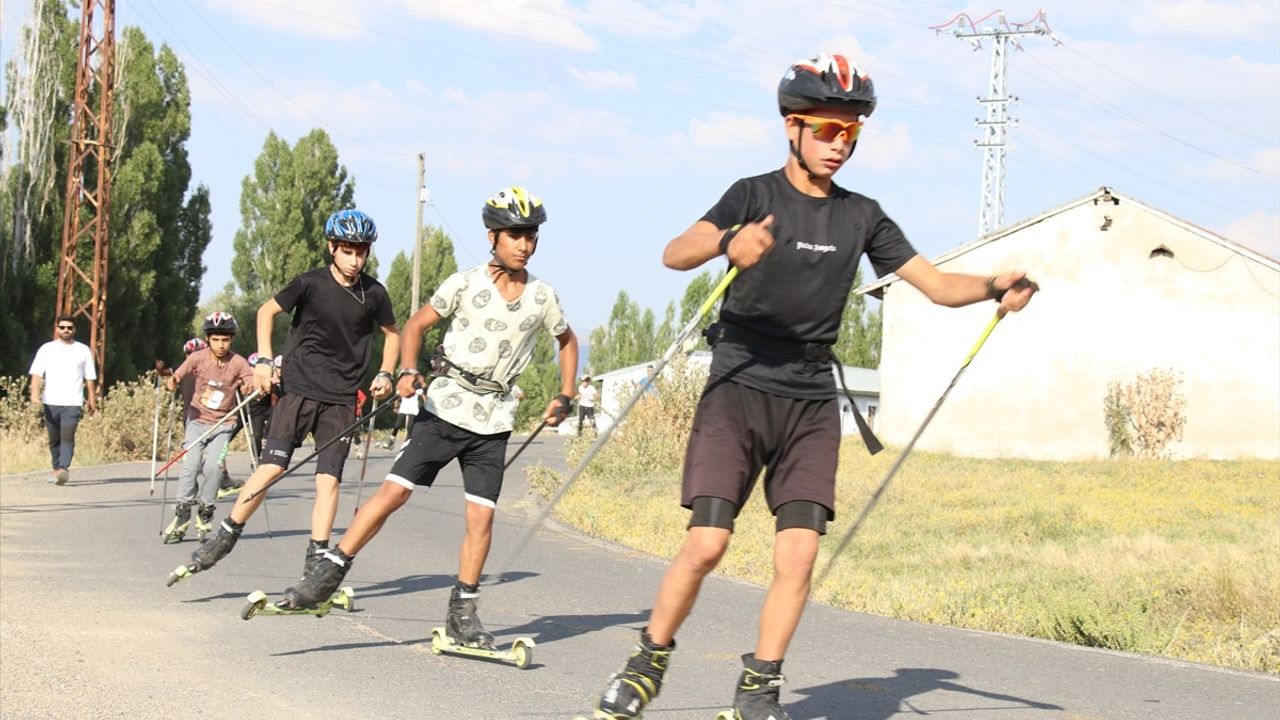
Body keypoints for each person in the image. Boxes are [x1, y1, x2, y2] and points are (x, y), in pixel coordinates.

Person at [586, 53, 1037, 720]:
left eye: (852, 133)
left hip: (810, 397)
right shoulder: (754, 196)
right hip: (738, 384)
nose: (839, 145)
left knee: (797, 555)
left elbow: (939, 287)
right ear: (792, 126)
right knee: (708, 543)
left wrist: (994, 287)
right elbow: (675, 252)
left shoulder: (863, 217)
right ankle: (647, 662)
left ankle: (758, 690)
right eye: (828, 129)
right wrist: (729, 243)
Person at [277, 186, 578, 648]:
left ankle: (463, 611)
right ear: (492, 236)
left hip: (494, 421)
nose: (524, 243)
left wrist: (565, 392)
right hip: (446, 407)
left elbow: (566, 340)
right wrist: (410, 370)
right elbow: (414, 326)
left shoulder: (542, 297)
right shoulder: (464, 284)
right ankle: (329, 572)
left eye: (531, 235)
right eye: (515, 234)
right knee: (394, 493)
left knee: (481, 519)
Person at [179, 209, 399, 580]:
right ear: (332, 247)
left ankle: (316, 559)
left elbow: (393, 334)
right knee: (271, 467)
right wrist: (264, 360)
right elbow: (266, 312)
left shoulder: (375, 293)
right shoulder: (310, 283)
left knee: (328, 480)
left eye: (361, 251)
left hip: (342, 398)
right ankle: (226, 535)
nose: (355, 259)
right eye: (348, 250)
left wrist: (387, 372)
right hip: (298, 390)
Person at [162, 312, 254, 543]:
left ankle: (205, 511)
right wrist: (171, 382)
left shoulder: (238, 362)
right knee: (190, 466)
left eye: (225, 339)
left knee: (214, 468)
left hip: (224, 424)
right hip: (197, 421)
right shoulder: (197, 358)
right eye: (215, 339)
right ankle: (182, 514)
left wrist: (251, 386)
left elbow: (250, 380)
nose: (220, 345)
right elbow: (178, 375)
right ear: (208, 339)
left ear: (231, 339)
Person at [27, 315, 98, 485]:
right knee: (54, 438)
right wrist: (34, 394)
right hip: (51, 401)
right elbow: (37, 373)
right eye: (63, 327)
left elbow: (90, 377)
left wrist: (92, 399)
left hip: (73, 401)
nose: (66, 330)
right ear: (57, 328)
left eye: (70, 328)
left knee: (67, 436)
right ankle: (56, 467)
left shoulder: (83, 350)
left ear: (75, 330)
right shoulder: (47, 349)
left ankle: (63, 468)